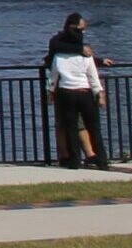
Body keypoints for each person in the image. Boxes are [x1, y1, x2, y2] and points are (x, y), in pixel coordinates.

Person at [43, 12, 109, 169]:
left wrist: (50, 92)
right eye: (82, 29)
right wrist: (100, 94)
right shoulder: (84, 55)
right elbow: (93, 77)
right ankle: (101, 159)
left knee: (70, 126)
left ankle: (73, 160)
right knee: (93, 127)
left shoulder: (59, 56)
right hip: (85, 93)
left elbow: (53, 76)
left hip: (66, 92)